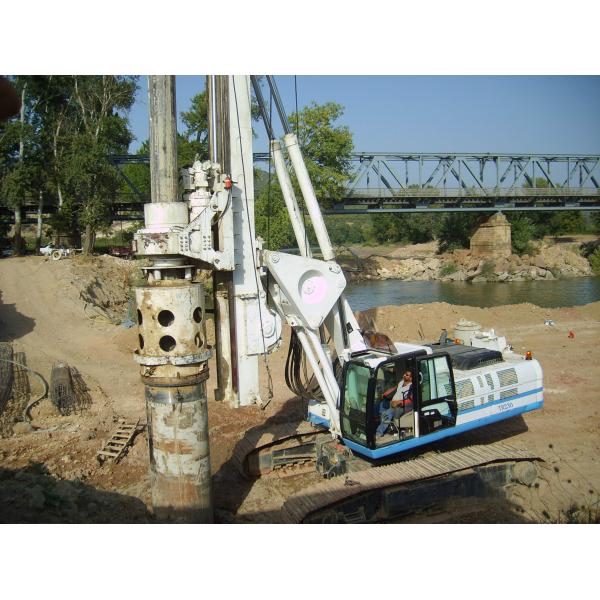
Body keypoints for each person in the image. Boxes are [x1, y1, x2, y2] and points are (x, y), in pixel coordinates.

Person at [376, 370, 413, 437]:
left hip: (402, 406)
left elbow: (411, 400)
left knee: (388, 413)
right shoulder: (401, 382)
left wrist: (399, 402)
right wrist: (385, 394)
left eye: (407, 375)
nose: (404, 375)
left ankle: (379, 432)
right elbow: (394, 388)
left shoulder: (412, 386)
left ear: (411, 378)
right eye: (404, 374)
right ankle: (387, 428)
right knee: (382, 405)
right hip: (393, 403)